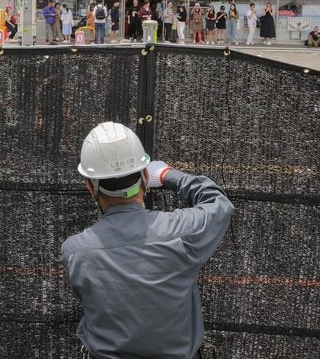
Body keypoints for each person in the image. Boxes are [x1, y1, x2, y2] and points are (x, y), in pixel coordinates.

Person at [62, 122, 234, 359]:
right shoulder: (182, 232)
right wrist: (168, 175)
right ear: (145, 176)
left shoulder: (75, 251)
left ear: (91, 187)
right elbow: (220, 205)